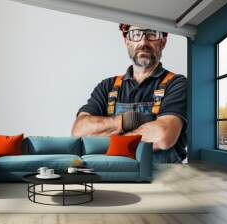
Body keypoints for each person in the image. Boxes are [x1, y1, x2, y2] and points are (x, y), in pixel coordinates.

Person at [71, 24, 187, 163]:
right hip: (115, 175)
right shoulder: (107, 87)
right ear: (127, 41)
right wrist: (126, 121)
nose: (143, 42)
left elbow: (162, 136)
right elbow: (79, 131)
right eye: (136, 34)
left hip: (163, 179)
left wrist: (109, 136)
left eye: (151, 34)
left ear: (163, 42)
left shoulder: (177, 84)